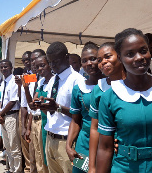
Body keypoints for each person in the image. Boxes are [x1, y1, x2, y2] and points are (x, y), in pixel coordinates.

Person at [97, 28, 152, 172]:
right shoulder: (109, 97)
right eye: (130, 54)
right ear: (120, 59)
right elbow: (105, 147)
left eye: (143, 50)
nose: (139, 57)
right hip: (124, 168)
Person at [36, 41, 84, 173]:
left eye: (55, 62)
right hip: (50, 139)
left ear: (66, 57)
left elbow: (80, 115)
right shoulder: (53, 80)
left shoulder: (77, 80)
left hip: (67, 142)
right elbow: (52, 110)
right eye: (50, 62)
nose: (52, 66)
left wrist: (57, 107)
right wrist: (43, 106)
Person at [88, 42, 126, 173]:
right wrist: (92, 166)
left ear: (120, 56)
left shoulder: (134, 84)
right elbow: (94, 128)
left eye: (108, 56)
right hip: (105, 151)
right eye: (99, 60)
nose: (103, 62)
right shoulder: (99, 90)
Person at [66, 42, 104, 173]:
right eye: (84, 60)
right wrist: (69, 145)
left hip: (107, 143)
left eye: (93, 58)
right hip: (84, 143)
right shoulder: (79, 89)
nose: (89, 63)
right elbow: (76, 119)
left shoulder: (112, 85)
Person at [22, 50, 49, 173]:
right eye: (33, 61)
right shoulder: (37, 80)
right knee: (36, 156)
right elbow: (31, 105)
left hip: (45, 122)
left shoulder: (50, 80)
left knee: (44, 158)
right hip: (34, 121)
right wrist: (25, 88)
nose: (35, 64)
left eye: (38, 61)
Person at [0, 59, 22, 173]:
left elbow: (12, 101)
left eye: (6, 67)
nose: (3, 69)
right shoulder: (3, 82)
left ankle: (17, 170)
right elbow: (2, 101)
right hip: (3, 117)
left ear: (11, 67)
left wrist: (0, 113)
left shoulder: (14, 81)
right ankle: (11, 169)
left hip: (11, 116)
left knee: (14, 146)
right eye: (1, 67)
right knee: (7, 146)